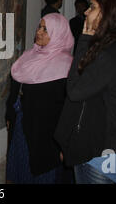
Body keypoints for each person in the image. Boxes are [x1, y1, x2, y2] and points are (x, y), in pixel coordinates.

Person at [54, 0, 116, 184]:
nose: (86, 11)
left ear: (109, 13)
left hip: (103, 150)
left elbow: (75, 91)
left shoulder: (110, 53)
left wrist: (84, 41)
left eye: (92, 6)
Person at [5, 13, 74, 184]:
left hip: (46, 135)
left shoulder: (67, 66)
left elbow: (68, 110)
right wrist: (10, 113)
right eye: (39, 27)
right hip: (22, 125)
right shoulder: (29, 56)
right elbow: (16, 89)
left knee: (42, 173)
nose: (39, 32)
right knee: (20, 166)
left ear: (59, 34)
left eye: (46, 29)